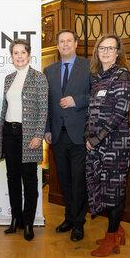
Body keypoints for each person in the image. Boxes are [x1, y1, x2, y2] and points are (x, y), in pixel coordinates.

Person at [85, 34, 130, 257]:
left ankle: (111, 237)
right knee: (103, 189)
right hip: (97, 144)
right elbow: (91, 112)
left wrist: (97, 138)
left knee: (114, 191)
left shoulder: (122, 75)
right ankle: (117, 229)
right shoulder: (98, 78)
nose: (105, 52)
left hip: (115, 145)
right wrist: (88, 135)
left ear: (117, 53)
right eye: (101, 48)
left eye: (110, 48)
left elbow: (120, 112)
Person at [0, 39, 48, 241]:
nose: (19, 56)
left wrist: (37, 135)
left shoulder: (39, 78)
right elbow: (5, 108)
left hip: (29, 135)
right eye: (15, 53)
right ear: (11, 57)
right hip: (10, 132)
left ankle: (28, 222)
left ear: (29, 55)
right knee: (12, 178)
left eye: (22, 53)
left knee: (30, 179)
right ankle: (15, 219)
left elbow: (43, 110)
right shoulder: (9, 78)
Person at [43, 29, 92, 242]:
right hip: (57, 135)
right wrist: (46, 129)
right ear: (57, 45)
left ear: (76, 43)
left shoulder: (89, 66)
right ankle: (69, 218)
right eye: (61, 41)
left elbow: (97, 96)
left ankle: (79, 223)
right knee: (64, 180)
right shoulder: (49, 70)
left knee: (78, 180)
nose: (65, 44)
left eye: (68, 41)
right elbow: (46, 103)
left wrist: (77, 101)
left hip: (80, 134)